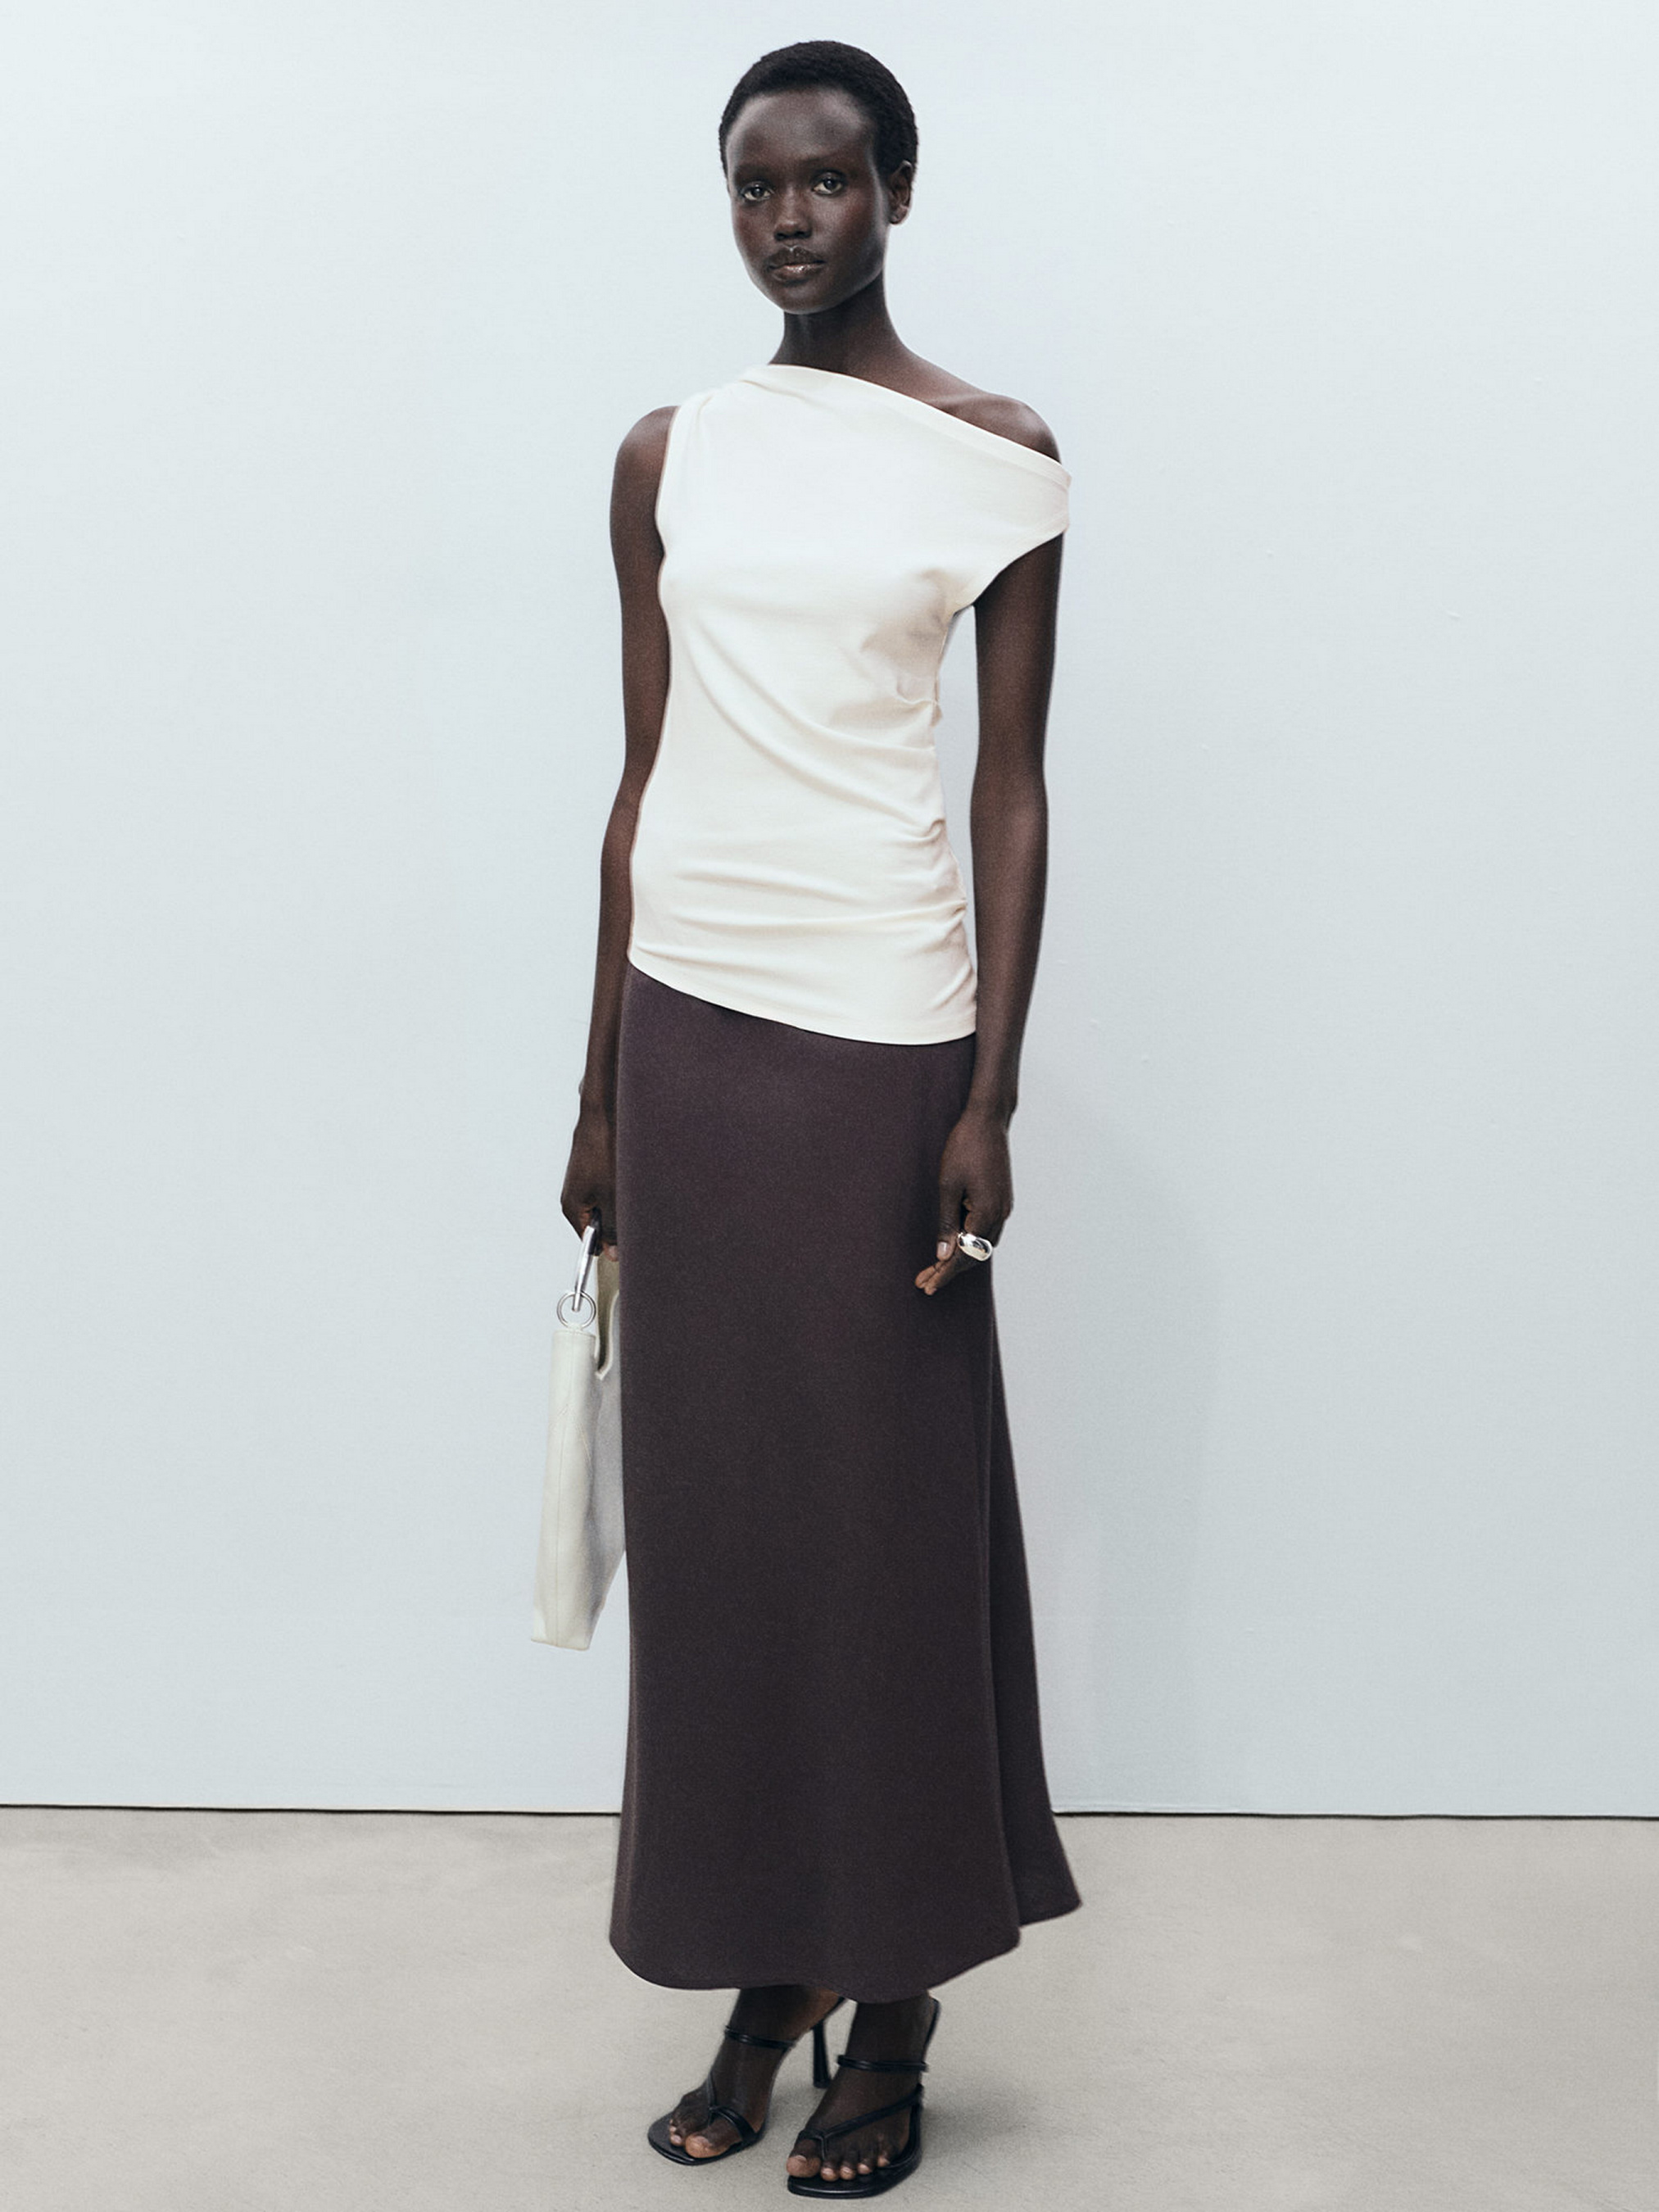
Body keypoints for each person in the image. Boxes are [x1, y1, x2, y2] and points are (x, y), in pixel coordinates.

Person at [560, 39, 1080, 2197]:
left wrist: (989, 1092)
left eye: (830, 182)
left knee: (879, 1524)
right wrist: (599, 1082)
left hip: (879, 1032)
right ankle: (765, 1964)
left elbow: (1010, 791)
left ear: (899, 192)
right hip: (691, 1026)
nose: (790, 220)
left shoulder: (994, 456)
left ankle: (897, 1995)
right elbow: (642, 779)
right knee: (722, 1531)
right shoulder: (667, 453)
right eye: (757, 187)